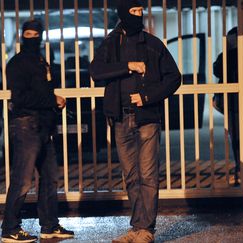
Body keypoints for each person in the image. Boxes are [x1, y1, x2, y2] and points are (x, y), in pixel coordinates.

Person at [90, 0, 181, 242]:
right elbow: (96, 71)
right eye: (134, 11)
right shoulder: (112, 43)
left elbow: (174, 78)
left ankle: (146, 230)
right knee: (130, 175)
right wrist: (128, 66)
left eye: (141, 11)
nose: (138, 15)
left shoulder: (152, 44)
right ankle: (137, 227)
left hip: (147, 117)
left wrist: (147, 97)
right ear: (123, 13)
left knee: (148, 174)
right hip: (120, 118)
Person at [0, 19, 74, 243]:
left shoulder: (42, 62)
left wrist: (52, 107)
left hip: (44, 126)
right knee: (22, 180)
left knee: (50, 179)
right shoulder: (16, 64)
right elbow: (21, 98)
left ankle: (49, 225)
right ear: (23, 36)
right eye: (28, 34)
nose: (32, 38)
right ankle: (10, 228)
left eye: (35, 34)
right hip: (26, 126)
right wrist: (52, 99)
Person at [212, 27, 240, 185]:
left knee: (236, 137)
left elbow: (217, 70)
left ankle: (239, 170)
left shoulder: (225, 56)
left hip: (231, 103)